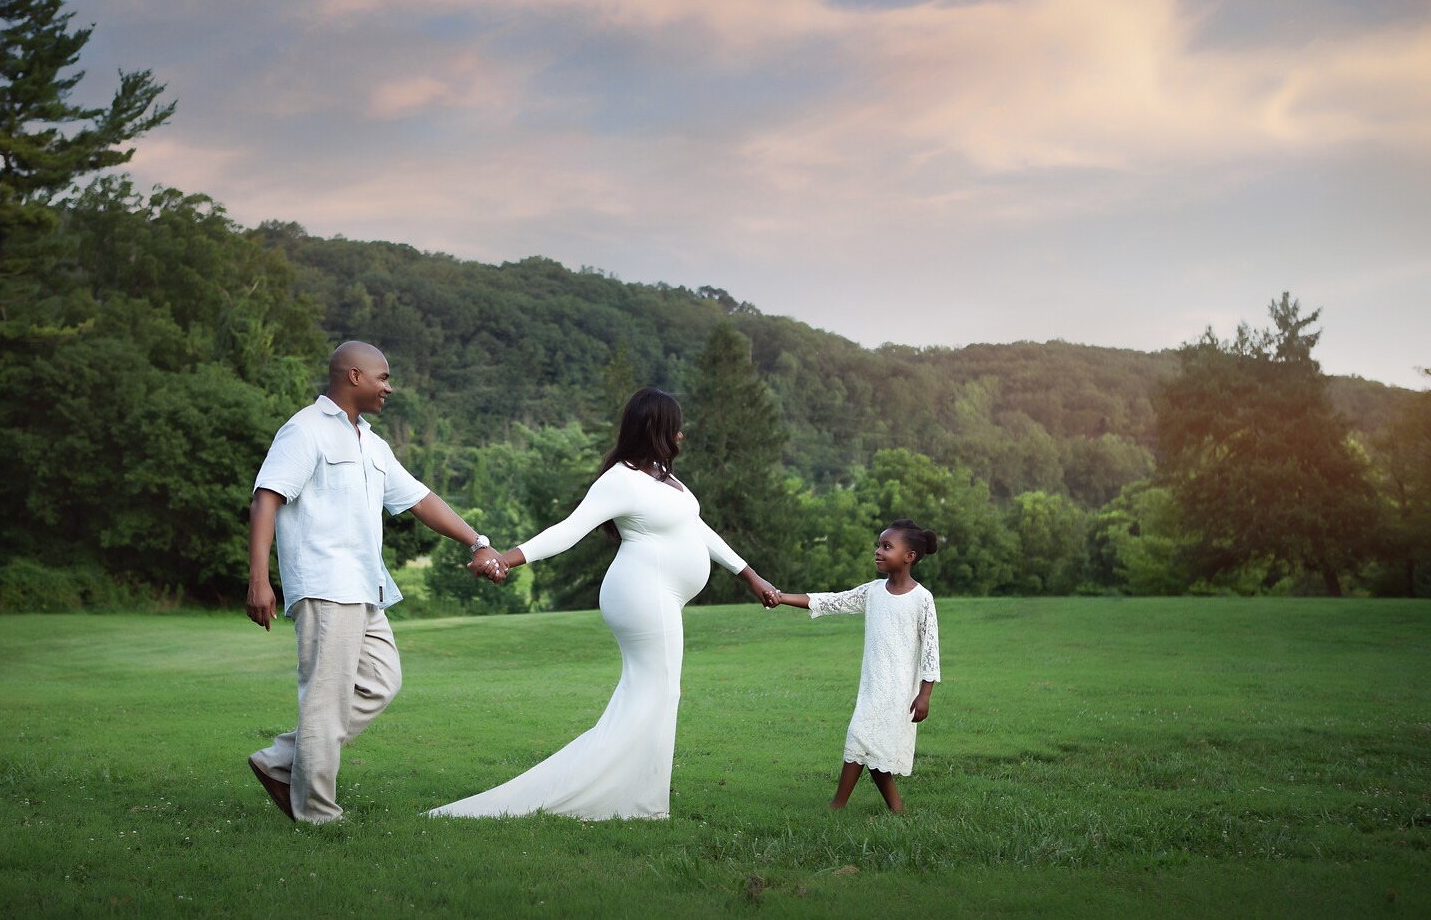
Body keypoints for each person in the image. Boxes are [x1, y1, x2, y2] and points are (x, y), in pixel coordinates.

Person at [428, 387, 776, 820]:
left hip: (660, 593)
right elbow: (568, 530)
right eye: (675, 426)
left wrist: (749, 575)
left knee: (656, 694)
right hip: (642, 592)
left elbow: (698, 529)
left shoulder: (666, 478)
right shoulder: (620, 480)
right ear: (656, 428)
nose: (682, 434)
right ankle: (631, 803)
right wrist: (507, 559)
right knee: (658, 692)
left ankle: (639, 799)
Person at [245, 341, 501, 824]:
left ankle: (280, 761)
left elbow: (421, 499)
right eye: (383, 377)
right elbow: (266, 499)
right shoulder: (304, 431)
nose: (390, 386)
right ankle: (317, 814)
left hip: (365, 587)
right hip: (324, 584)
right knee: (326, 698)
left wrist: (477, 542)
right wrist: (260, 579)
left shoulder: (370, 442)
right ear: (355, 377)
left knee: (381, 682)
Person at [765, 520, 941, 813]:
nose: (878, 551)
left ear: (909, 556)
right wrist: (782, 597)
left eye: (887, 546)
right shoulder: (872, 592)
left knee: (862, 740)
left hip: (900, 692)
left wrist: (925, 694)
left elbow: (931, 651)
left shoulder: (922, 599)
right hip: (873, 686)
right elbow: (832, 601)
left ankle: (837, 807)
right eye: (879, 545)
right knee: (868, 747)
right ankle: (897, 810)